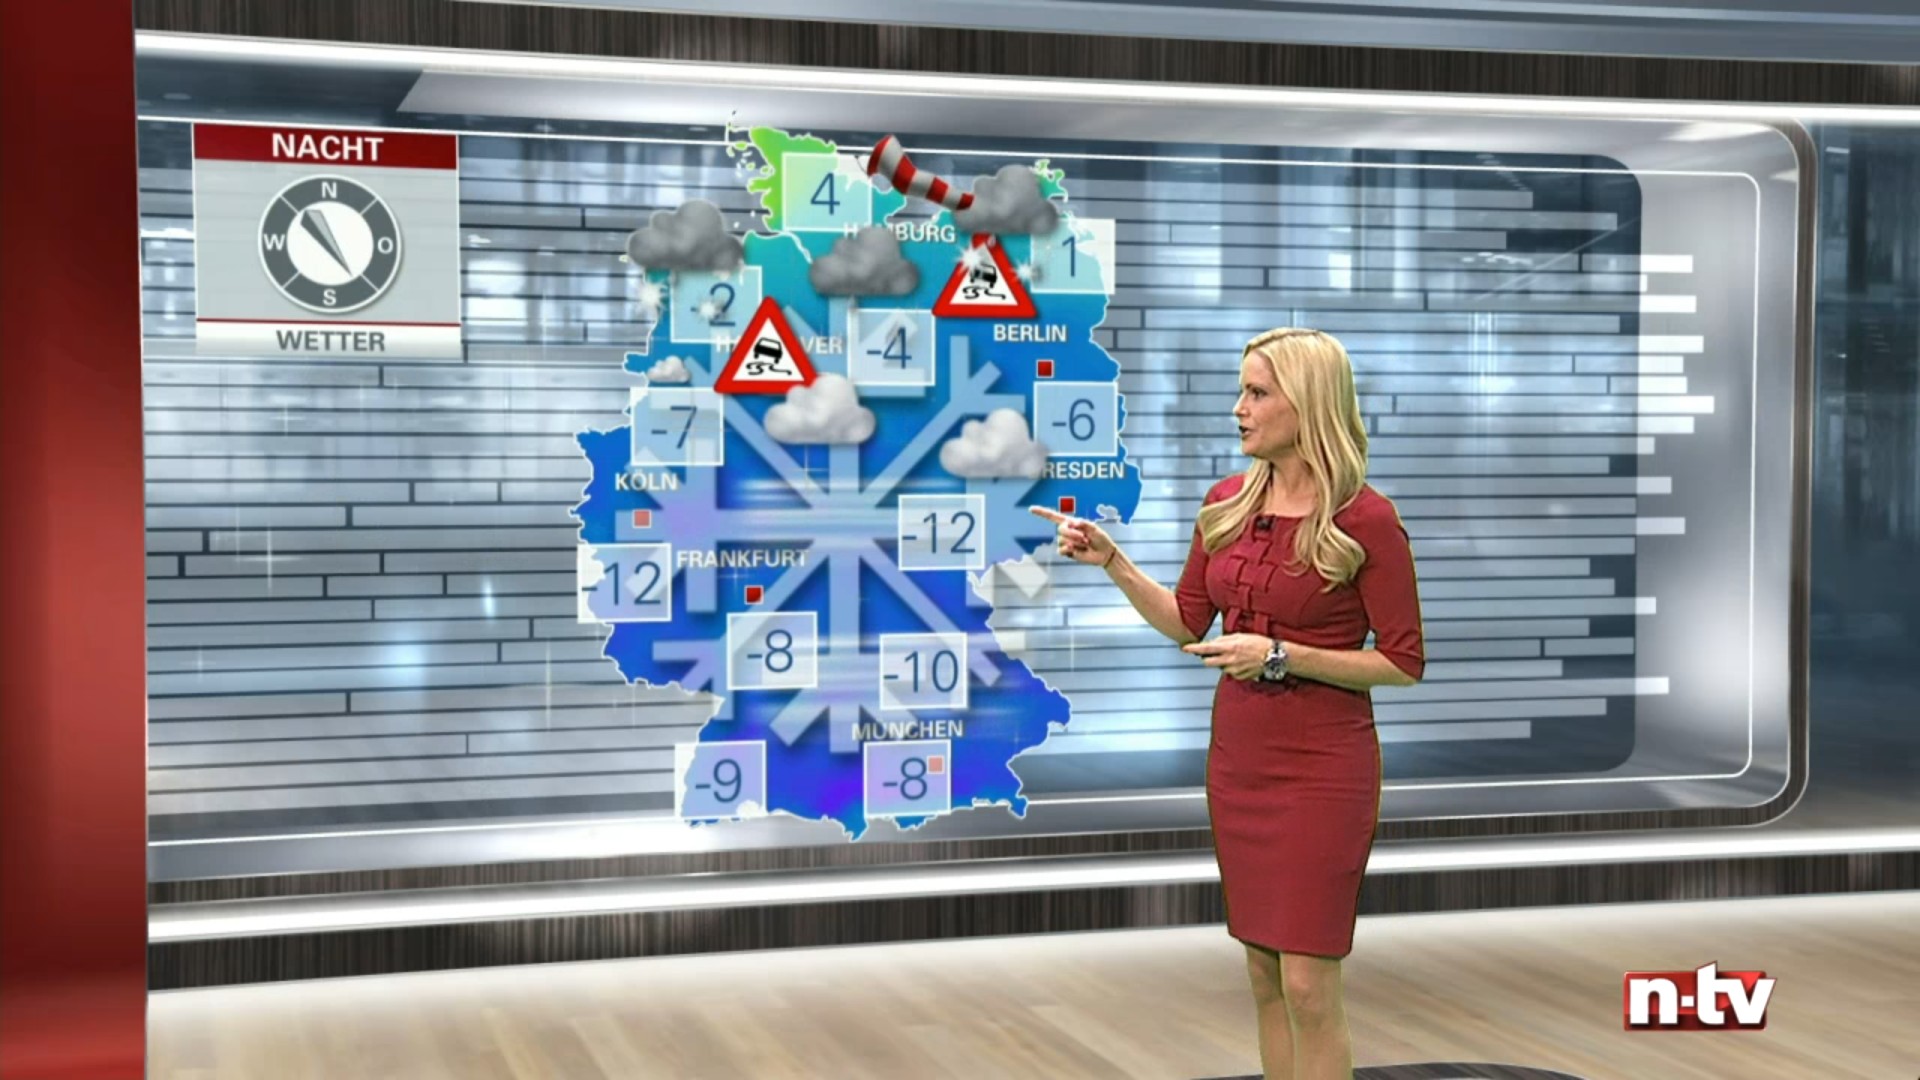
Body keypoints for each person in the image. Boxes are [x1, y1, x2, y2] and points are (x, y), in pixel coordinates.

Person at [1030, 327, 1425, 1080]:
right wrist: (1113, 561)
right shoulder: (1226, 504)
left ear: (1307, 404)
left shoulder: (1367, 520)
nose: (1238, 408)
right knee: (1264, 974)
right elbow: (1187, 620)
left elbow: (1403, 662)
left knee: (1308, 984)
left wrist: (1280, 656)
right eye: (1242, 391)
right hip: (1241, 762)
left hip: (1322, 768)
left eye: (1257, 393)